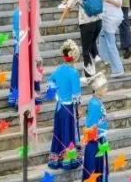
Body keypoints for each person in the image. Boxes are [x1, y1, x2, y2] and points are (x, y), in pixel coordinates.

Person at [59, 0, 103, 79]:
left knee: (85, 50)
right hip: (98, 21)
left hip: (86, 22)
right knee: (91, 41)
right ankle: (97, 57)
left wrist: (62, 19)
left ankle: (89, 75)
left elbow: (69, 6)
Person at [47, 40, 84, 170]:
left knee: (59, 132)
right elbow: (76, 94)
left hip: (59, 107)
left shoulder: (59, 70)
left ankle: (57, 159)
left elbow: (50, 80)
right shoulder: (73, 73)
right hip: (69, 109)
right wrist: (79, 109)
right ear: (74, 56)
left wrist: (57, 95)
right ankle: (70, 160)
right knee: (70, 132)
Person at [95, 0, 125, 76]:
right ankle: (104, 63)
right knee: (102, 38)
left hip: (108, 19)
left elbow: (115, 3)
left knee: (110, 44)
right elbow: (120, 3)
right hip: (117, 17)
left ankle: (118, 69)